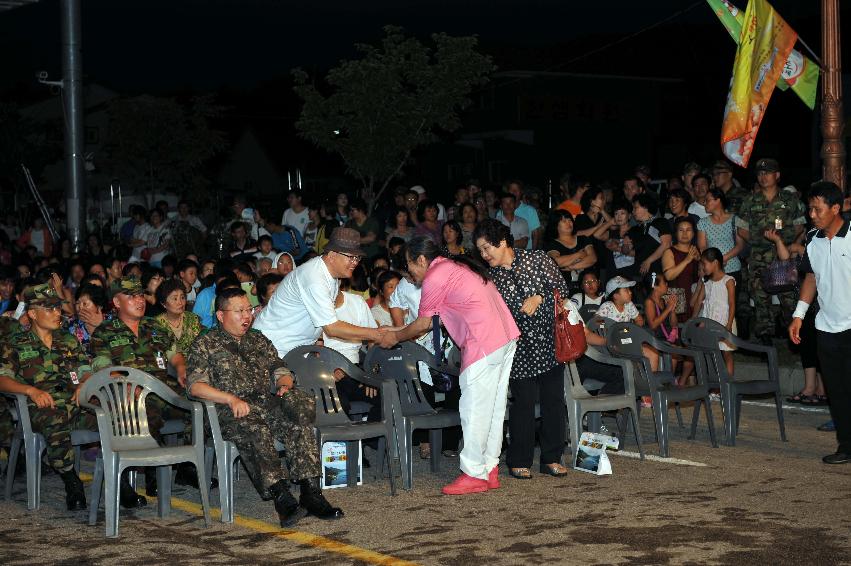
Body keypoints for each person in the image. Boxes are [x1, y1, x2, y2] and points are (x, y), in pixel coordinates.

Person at [186, 287, 343, 525]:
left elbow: (279, 368)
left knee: (298, 416)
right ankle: (283, 498)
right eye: (239, 311)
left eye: (249, 309)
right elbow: (195, 387)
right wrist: (230, 399)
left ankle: (311, 493)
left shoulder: (258, 339)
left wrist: (284, 382)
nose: (247, 316)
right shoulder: (205, 343)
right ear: (221, 315)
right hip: (227, 410)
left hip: (263, 402)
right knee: (254, 428)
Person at [378, 235, 520, 495]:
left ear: (421, 259)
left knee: (474, 409)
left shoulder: (436, 275)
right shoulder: (458, 266)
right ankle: (489, 468)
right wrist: (397, 330)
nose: (410, 273)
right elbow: (436, 321)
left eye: (410, 266)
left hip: (484, 341)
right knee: (494, 408)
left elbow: (423, 324)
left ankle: (473, 474)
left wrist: (394, 336)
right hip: (505, 337)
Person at [473, 220, 569, 480]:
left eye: (486, 248)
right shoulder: (490, 278)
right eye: (480, 250)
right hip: (518, 347)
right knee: (523, 404)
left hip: (549, 343)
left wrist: (539, 297)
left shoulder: (537, 259)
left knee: (553, 402)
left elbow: (562, 287)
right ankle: (519, 459)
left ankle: (552, 458)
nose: (484, 255)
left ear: (502, 242)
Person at [89, 276, 190, 500]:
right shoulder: (104, 333)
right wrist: (127, 384)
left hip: (162, 390)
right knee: (142, 415)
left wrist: (181, 369)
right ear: (116, 302)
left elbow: (174, 355)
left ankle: (186, 469)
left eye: (141, 295)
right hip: (128, 396)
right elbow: (104, 369)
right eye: (131, 296)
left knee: (198, 405)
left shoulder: (154, 327)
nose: (139, 300)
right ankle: (125, 482)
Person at [0, 283, 95, 511]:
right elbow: (2, 379)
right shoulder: (15, 343)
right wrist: (30, 390)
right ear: (32, 313)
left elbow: (86, 370)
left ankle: (119, 479)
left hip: (75, 403)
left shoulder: (68, 340)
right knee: (54, 418)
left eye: (58, 308)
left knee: (109, 417)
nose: (57, 313)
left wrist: (84, 383)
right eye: (50, 309)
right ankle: (71, 480)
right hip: (41, 407)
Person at [789, 182, 851, 464]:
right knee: (837, 391)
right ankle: (846, 446)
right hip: (827, 326)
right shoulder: (812, 239)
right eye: (810, 208)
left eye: (818, 208)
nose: (812, 214)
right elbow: (811, 278)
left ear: (836, 208)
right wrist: (799, 315)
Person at [253, 228, 386, 358]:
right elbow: (332, 328)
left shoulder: (330, 276)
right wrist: (376, 334)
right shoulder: (315, 278)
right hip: (271, 346)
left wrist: (319, 340)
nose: (355, 263)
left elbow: (320, 315)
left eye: (357, 258)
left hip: (293, 348)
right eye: (351, 257)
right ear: (332, 255)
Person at [739, 158, 806, 344]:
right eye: (760, 173)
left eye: (767, 172)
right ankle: (765, 337)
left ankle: (792, 332)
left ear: (777, 175)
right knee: (760, 298)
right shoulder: (750, 201)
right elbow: (742, 230)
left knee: (789, 298)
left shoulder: (789, 199)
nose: (763, 176)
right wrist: (762, 240)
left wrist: (781, 242)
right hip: (759, 257)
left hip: (783, 256)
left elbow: (800, 225)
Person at [662, 217, 701, 323]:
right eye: (681, 230)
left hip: (695, 297)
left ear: (693, 233)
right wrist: (687, 260)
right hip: (677, 298)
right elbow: (669, 276)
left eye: (688, 230)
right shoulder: (669, 252)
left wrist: (699, 260)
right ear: (675, 233)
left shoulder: (697, 251)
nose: (685, 233)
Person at [545, 210, 596, 288]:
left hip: (587, 286)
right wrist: (579, 254)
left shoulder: (583, 239)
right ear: (555, 225)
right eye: (564, 221)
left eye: (570, 220)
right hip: (564, 287)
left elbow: (592, 259)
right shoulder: (551, 244)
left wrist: (572, 267)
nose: (568, 223)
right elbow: (556, 262)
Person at [155, 278, 203, 358]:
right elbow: (158, 355)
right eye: (175, 298)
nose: (180, 302)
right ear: (163, 304)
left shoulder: (192, 318)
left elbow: (199, 345)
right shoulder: (156, 324)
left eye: (182, 297)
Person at [627, 193, 672, 277]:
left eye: (635, 208)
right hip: (639, 273)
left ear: (646, 207)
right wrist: (624, 246)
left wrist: (648, 261)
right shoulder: (635, 229)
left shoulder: (660, 222)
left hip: (657, 271)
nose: (633, 211)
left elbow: (666, 244)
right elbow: (634, 253)